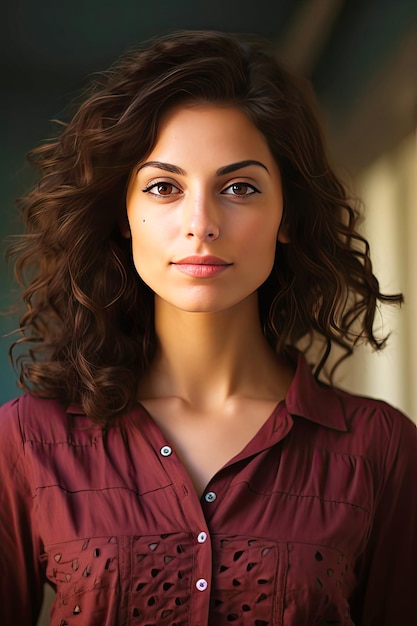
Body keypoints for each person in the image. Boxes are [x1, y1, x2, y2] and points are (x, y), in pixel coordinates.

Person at [0, 30, 415, 626]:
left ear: (287, 216)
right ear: (124, 214)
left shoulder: (380, 450)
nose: (201, 223)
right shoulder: (28, 442)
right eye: (164, 188)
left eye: (239, 188)